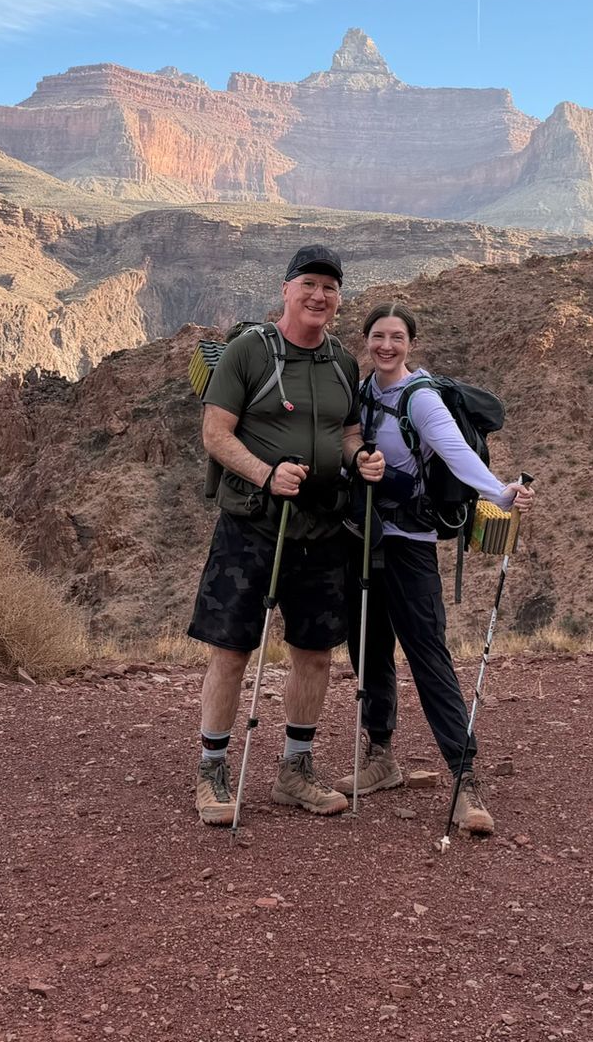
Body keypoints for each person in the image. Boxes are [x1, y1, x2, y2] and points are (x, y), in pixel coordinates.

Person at [189, 244, 386, 826]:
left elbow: (346, 430)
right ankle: (212, 771)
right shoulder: (250, 352)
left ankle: (294, 771)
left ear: (339, 297)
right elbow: (215, 433)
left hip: (321, 526)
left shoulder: (342, 362)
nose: (318, 296)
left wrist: (360, 459)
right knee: (231, 650)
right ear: (286, 289)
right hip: (251, 525)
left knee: (316, 654)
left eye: (329, 287)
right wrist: (266, 474)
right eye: (309, 284)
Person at [334, 301, 533, 837]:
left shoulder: (419, 399)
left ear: (410, 343)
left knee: (428, 655)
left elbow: (452, 451)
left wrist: (499, 492)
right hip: (361, 536)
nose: (386, 346)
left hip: (409, 545)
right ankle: (381, 755)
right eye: (378, 336)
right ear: (366, 339)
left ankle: (464, 779)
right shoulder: (360, 392)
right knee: (367, 646)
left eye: (396, 337)